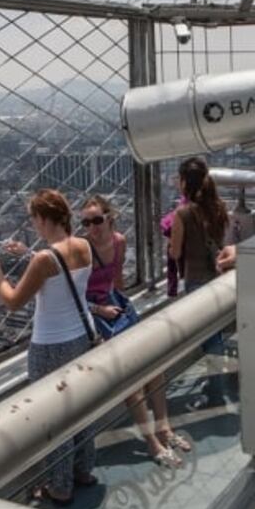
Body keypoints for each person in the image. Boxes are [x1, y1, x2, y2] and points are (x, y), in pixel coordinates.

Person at [0, 188, 97, 506]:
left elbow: (14, 301)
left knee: (53, 415)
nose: (33, 226)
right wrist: (27, 255)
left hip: (51, 344)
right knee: (82, 405)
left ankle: (60, 487)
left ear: (43, 218)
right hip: (83, 336)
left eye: (34, 219)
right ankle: (84, 470)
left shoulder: (45, 258)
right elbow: (61, 269)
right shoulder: (84, 244)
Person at [79, 195, 191, 467]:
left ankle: (163, 427)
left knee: (154, 366)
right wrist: (99, 310)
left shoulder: (118, 241)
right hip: (94, 315)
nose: (92, 227)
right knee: (131, 379)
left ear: (109, 218)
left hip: (115, 308)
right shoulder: (81, 249)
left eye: (96, 220)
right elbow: (73, 295)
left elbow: (116, 281)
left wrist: (119, 305)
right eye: (85, 222)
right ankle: (152, 440)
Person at [169, 157, 230, 411]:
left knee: (210, 341)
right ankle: (215, 385)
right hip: (218, 276)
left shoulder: (182, 213)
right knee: (217, 335)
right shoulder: (219, 206)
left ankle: (216, 393)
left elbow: (175, 252)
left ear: (184, 182)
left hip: (195, 280)